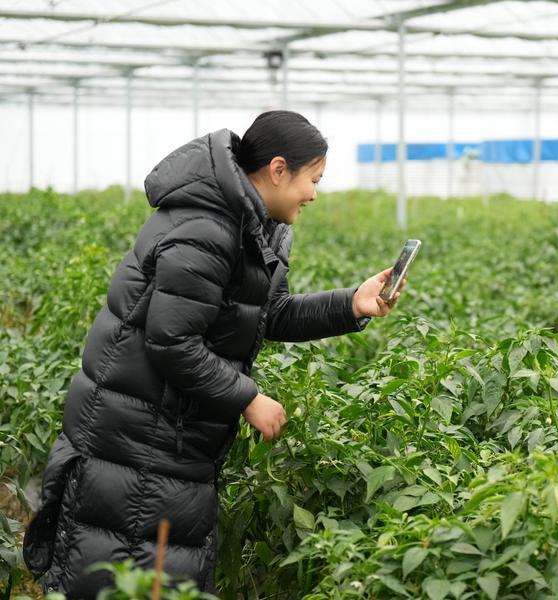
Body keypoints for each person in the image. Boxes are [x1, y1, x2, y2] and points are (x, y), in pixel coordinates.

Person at [24, 111, 404, 596]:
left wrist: (352, 303)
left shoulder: (250, 224)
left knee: (148, 576)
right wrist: (248, 397)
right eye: (313, 180)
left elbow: (268, 314)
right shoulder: (208, 228)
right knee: (124, 577)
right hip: (136, 440)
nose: (314, 194)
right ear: (278, 170)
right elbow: (172, 340)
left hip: (163, 437)